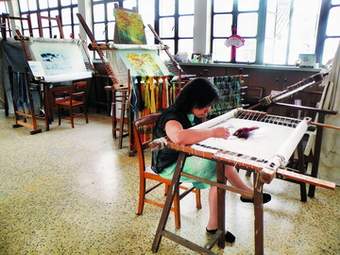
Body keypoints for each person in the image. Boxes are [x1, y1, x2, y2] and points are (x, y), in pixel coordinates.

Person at [152, 77, 271, 243]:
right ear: (192, 101)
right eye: (205, 106)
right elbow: (178, 137)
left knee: (222, 167)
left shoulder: (191, 113)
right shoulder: (172, 116)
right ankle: (245, 195)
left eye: (209, 106)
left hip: (184, 156)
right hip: (170, 165)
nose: (207, 110)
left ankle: (216, 224)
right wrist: (212, 133)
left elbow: (195, 134)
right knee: (220, 167)